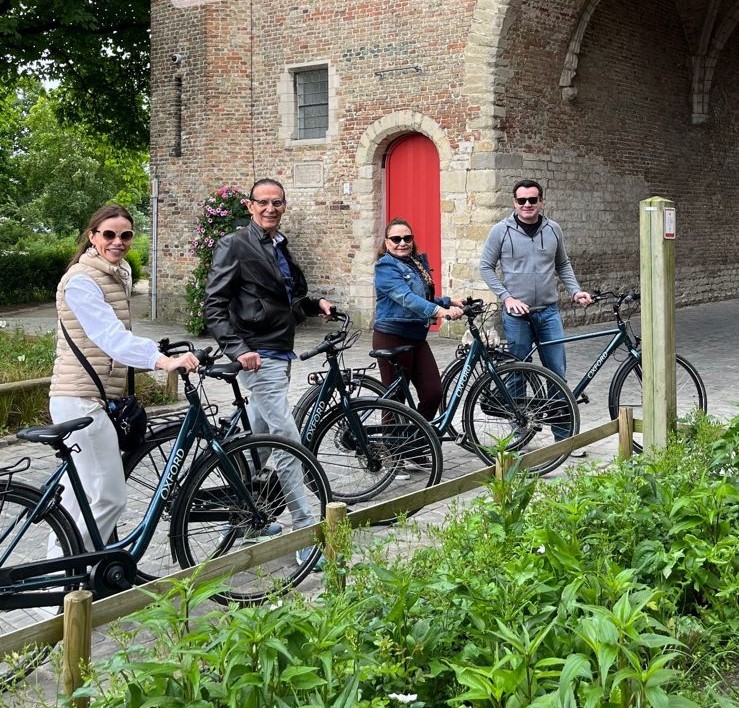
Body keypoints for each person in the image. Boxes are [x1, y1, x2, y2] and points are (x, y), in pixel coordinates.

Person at [50, 204, 200, 552]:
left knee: (80, 502)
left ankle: (61, 586)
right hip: (80, 400)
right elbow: (110, 338)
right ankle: (70, 582)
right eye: (109, 234)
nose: (118, 242)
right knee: (109, 499)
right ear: (92, 236)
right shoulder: (81, 281)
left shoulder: (117, 273)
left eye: (126, 235)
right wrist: (162, 361)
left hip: (93, 398)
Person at [203, 178, 333, 566]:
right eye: (263, 203)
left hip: (279, 351)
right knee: (287, 442)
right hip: (258, 356)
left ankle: (246, 521)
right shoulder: (236, 244)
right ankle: (305, 531)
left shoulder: (278, 243)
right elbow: (214, 304)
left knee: (258, 442)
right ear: (249, 206)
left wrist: (313, 305)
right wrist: (237, 348)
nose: (270, 209)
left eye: (277, 203)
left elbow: (282, 297)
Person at [480, 179, 591, 451]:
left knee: (556, 373)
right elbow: (485, 267)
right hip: (517, 316)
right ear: (514, 202)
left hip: (549, 312)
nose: (527, 205)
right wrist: (507, 298)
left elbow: (562, 264)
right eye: (522, 201)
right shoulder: (501, 231)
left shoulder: (553, 229)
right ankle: (520, 432)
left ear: (542, 201)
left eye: (532, 200)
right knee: (517, 373)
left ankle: (563, 439)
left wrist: (575, 291)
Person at [373, 218, 465, 423]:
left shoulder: (415, 263)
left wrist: (450, 301)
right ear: (386, 242)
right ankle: (392, 451)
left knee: (433, 393)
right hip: (392, 336)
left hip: (416, 336)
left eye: (407, 238)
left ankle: (414, 439)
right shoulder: (385, 265)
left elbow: (421, 297)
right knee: (395, 401)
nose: (402, 243)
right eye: (396, 239)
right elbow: (405, 298)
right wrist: (440, 311)